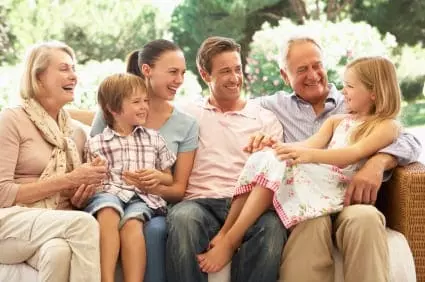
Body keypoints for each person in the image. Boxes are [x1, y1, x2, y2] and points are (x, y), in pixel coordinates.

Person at [197, 56, 402, 273]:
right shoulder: (337, 121)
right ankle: (227, 232)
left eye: (350, 86)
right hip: (321, 184)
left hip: (341, 189)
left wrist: (308, 156)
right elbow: (307, 144)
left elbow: (353, 154)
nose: (343, 91)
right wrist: (276, 146)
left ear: (374, 92)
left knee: (278, 164)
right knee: (266, 158)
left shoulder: (386, 126)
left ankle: (231, 239)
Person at [248, 34, 422, 282]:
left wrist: (379, 161)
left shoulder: (353, 102)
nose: (313, 74)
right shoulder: (271, 106)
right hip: (311, 203)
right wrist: (268, 144)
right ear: (285, 75)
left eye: (317, 65)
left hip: (352, 200)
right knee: (310, 223)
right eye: (302, 69)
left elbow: (409, 140)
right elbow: (231, 105)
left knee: (365, 219)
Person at [165, 36, 286, 282]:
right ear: (205, 74)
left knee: (272, 227)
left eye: (238, 69)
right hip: (200, 203)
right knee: (182, 218)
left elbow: (273, 175)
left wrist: (269, 148)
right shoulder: (187, 114)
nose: (235, 78)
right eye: (225, 71)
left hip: (247, 207)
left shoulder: (265, 119)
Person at [90, 39, 198, 282]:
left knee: (153, 229)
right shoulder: (113, 113)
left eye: (182, 73)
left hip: (153, 203)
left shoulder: (186, 124)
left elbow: (178, 188)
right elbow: (95, 162)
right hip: (112, 196)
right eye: (172, 72)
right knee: (109, 213)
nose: (179, 80)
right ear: (147, 70)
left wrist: (151, 184)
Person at [0, 41, 108, 282]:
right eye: (64, 69)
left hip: (51, 224)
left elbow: (67, 192)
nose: (74, 76)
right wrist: (68, 180)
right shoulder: (11, 119)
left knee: (58, 252)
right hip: (8, 222)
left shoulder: (76, 133)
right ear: (38, 78)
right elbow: (1, 192)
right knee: (83, 224)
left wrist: (80, 193)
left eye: (74, 69)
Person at [85, 73, 176, 282]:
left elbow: (169, 178)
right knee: (108, 211)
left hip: (141, 197)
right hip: (108, 193)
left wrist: (156, 176)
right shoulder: (96, 143)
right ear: (113, 109)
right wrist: (95, 171)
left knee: (132, 224)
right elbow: (90, 181)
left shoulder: (154, 138)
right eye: (136, 102)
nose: (144, 106)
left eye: (145, 100)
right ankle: (106, 279)